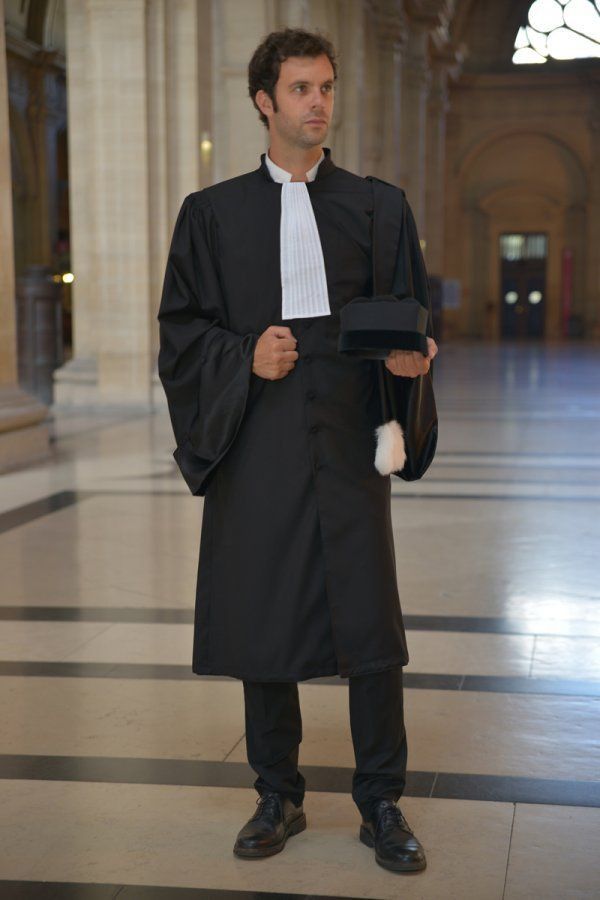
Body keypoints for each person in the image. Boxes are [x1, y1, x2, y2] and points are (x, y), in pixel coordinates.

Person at [157, 26, 438, 874]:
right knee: (263, 612)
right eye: (302, 89)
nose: (319, 102)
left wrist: (410, 363)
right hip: (259, 437)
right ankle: (276, 792)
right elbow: (179, 334)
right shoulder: (210, 216)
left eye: (327, 86)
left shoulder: (380, 207)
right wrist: (244, 355)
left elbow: (414, 323)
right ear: (264, 103)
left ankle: (381, 799)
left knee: (371, 622)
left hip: (350, 437)